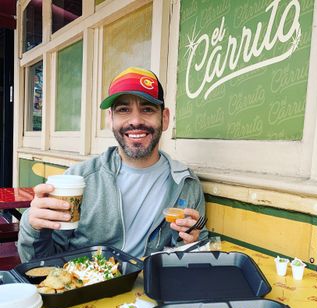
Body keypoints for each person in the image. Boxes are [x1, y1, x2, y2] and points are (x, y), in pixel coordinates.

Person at [18, 67, 207, 262]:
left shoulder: (186, 184)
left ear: (164, 118)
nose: (136, 121)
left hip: (150, 281)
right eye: (123, 110)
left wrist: (191, 243)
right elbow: (39, 263)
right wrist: (34, 228)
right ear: (110, 118)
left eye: (147, 109)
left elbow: (194, 255)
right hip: (85, 280)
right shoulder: (79, 180)